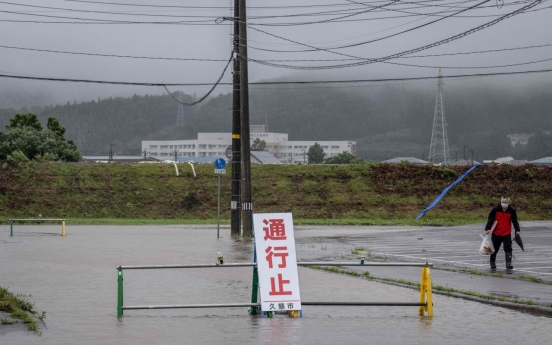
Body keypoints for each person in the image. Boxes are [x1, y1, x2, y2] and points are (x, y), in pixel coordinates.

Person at [485, 196, 521, 269]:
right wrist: (488, 228)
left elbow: (514, 221)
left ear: (508, 203)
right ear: (501, 201)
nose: (504, 203)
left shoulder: (511, 210)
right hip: (496, 232)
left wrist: (517, 230)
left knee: (508, 248)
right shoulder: (495, 209)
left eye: (505, 202)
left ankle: (508, 264)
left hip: (506, 233)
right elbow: (490, 219)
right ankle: (492, 263)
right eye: (503, 202)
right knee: (495, 249)